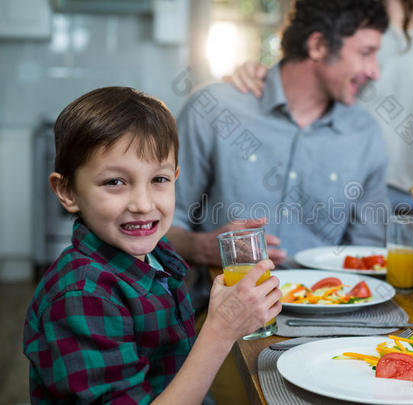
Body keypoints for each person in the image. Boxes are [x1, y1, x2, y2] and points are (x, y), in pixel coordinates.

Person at [23, 87, 282, 404]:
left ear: (175, 177)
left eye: (159, 179)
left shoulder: (156, 252)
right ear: (67, 191)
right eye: (115, 182)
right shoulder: (81, 296)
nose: (143, 205)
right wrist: (221, 329)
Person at [167, 0, 390, 266]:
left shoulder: (365, 134)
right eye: (366, 53)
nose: (374, 71)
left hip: (326, 302)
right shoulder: (214, 109)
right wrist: (201, 248)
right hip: (220, 301)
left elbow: (368, 251)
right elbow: (162, 224)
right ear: (318, 46)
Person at [226, 0, 413, 212]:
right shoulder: (359, 14)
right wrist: (255, 75)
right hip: (339, 182)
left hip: (411, 190)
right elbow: (311, 72)